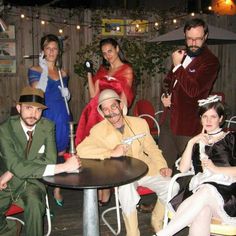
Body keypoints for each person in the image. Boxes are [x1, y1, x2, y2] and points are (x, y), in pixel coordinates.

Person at [76, 89, 179, 235]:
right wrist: (110, 153)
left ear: (120, 105)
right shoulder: (98, 130)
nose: (111, 112)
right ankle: (132, 232)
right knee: (126, 190)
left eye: (113, 106)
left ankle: (157, 219)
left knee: (173, 186)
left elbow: (152, 149)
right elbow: (81, 150)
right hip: (122, 175)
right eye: (105, 109)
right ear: (102, 113)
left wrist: (162, 166)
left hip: (146, 169)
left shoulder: (140, 123)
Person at [0, 86, 81, 236]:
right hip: (6, 185)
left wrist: (12, 170)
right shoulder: (5, 129)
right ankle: (11, 228)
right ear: (19, 108)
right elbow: (17, 165)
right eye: (28, 108)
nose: (33, 114)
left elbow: (49, 160)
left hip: (34, 182)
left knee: (34, 203)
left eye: (38, 110)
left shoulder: (47, 126)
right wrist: (64, 166)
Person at [154, 95, 236, 236]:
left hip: (228, 195)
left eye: (213, 116)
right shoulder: (197, 142)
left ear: (221, 119)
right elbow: (184, 169)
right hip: (201, 197)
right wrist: (192, 142)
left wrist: (216, 169)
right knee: (202, 212)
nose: (208, 121)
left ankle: (164, 234)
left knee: (206, 190)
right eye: (205, 116)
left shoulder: (230, 138)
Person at [75, 38, 135, 205]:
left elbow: (124, 97)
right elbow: (93, 95)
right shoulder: (102, 70)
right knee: (95, 154)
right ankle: (100, 187)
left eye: (110, 51)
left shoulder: (126, 69)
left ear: (117, 49)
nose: (107, 55)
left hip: (110, 115)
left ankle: (106, 190)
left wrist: (120, 118)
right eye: (104, 53)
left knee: (109, 152)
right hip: (93, 114)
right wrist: (89, 73)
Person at [159, 18, 220, 169]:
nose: (193, 43)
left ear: (205, 37)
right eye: (189, 39)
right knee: (163, 167)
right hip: (168, 121)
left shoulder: (211, 62)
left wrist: (178, 65)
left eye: (197, 39)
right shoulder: (182, 54)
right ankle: (166, 193)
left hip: (188, 125)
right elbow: (168, 81)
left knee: (188, 170)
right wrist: (165, 95)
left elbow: (194, 91)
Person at [28, 34, 71, 206]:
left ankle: (57, 189)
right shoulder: (35, 70)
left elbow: (65, 97)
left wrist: (67, 95)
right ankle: (41, 194)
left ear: (59, 51)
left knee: (60, 152)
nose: (51, 52)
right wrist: (45, 70)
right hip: (45, 115)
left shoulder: (63, 73)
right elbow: (37, 92)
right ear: (43, 51)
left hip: (62, 115)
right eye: (48, 48)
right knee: (45, 154)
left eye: (54, 48)